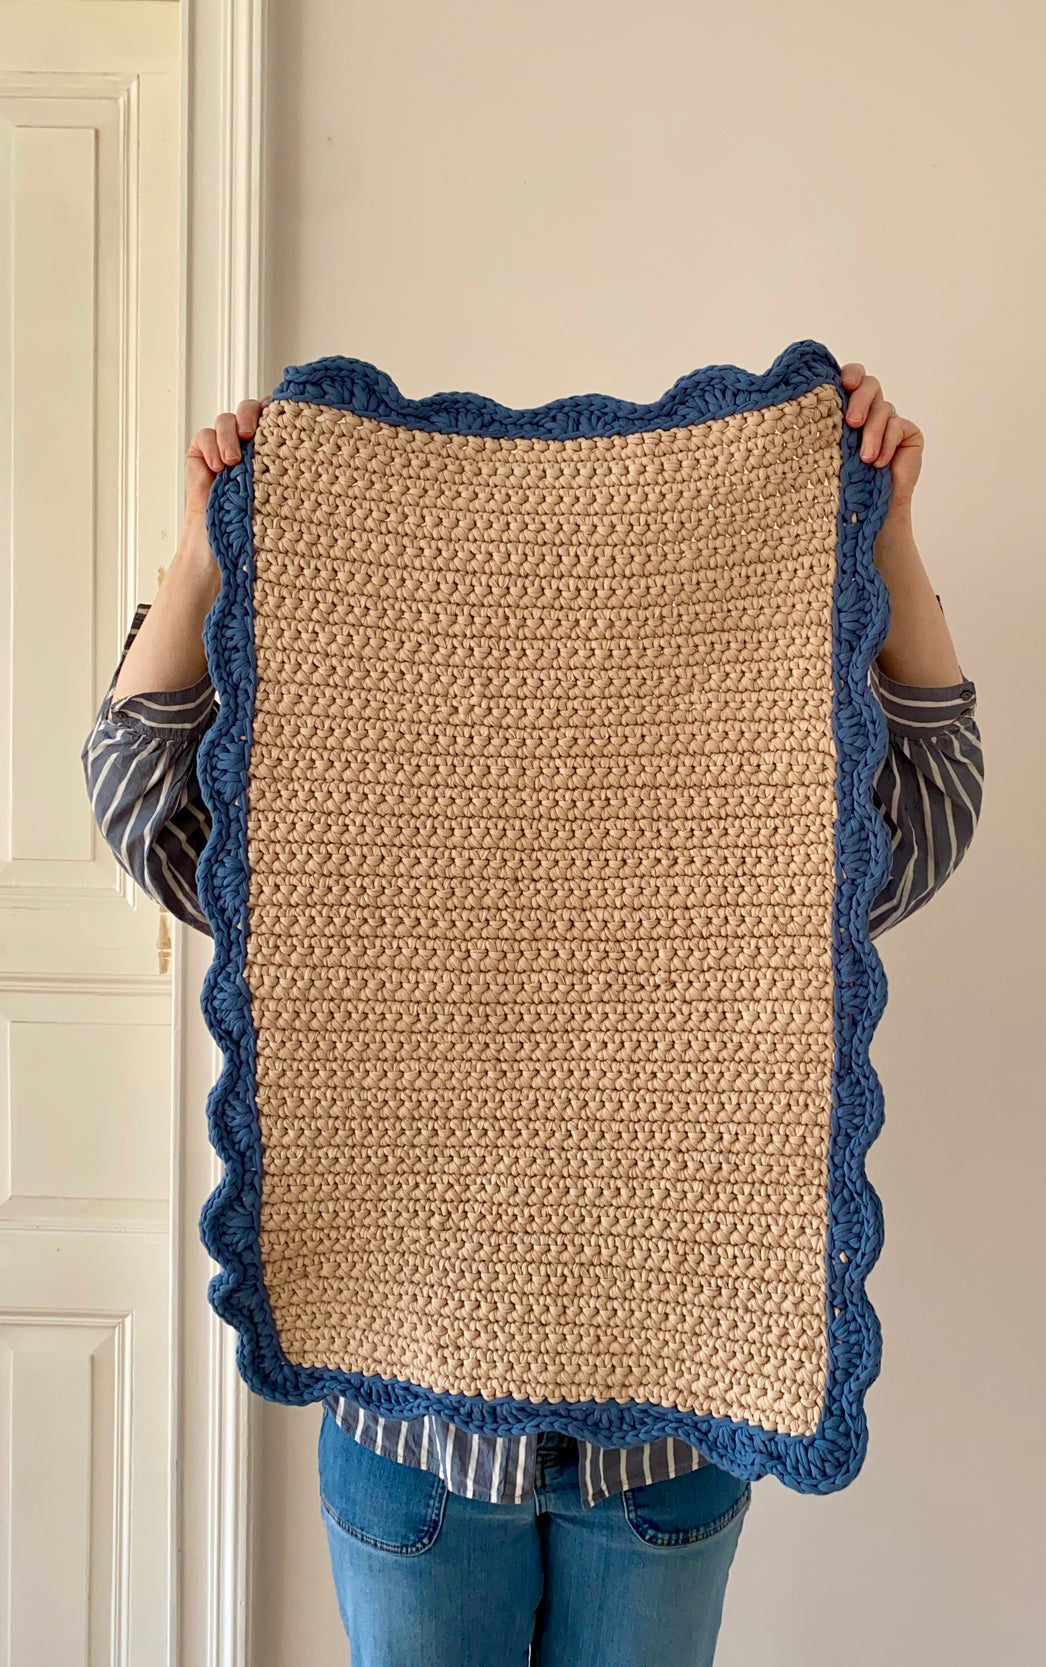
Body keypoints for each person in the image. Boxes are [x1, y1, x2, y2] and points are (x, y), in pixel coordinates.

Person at [81, 364, 984, 1667]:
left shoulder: (742, 866)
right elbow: (137, 797)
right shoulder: (335, 851)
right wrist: (206, 547)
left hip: (664, 1444)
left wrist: (879, 530)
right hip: (417, 1445)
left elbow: (928, 797)